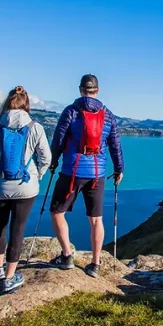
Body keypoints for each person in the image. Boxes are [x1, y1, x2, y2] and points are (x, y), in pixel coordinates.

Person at [49, 74, 124, 278]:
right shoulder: (107, 115)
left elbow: (59, 139)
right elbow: (115, 145)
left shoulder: (71, 111)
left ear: (81, 89)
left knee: (57, 212)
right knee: (96, 220)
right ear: (97, 90)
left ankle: (66, 256)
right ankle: (95, 263)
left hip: (71, 172)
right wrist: (119, 169)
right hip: (97, 174)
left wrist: (53, 161)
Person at [0, 86, 51, 292]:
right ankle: (10, 277)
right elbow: (46, 157)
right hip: (26, 188)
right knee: (17, 229)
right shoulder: (35, 127)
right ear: (26, 104)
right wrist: (37, 175)